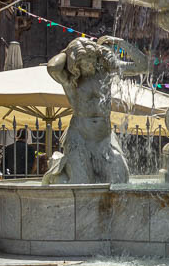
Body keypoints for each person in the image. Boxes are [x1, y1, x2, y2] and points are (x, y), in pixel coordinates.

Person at [42, 36, 149, 185]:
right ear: (75, 63)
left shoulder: (105, 72)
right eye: (85, 61)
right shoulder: (70, 80)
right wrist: (69, 50)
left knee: (120, 180)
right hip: (79, 138)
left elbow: (143, 66)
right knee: (82, 183)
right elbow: (53, 66)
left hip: (104, 139)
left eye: (92, 59)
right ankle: (59, 169)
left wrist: (119, 42)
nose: (90, 64)